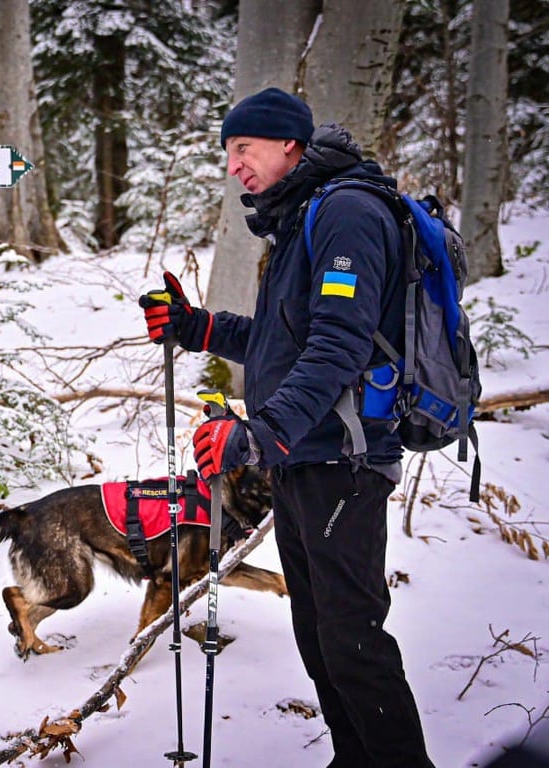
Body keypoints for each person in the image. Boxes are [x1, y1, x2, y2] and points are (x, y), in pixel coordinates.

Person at [141, 88, 434, 767]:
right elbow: (283, 341)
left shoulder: (347, 214)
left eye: (243, 148)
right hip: (304, 457)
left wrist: (259, 433)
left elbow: (338, 346)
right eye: (227, 153)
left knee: (352, 638)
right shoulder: (301, 216)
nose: (233, 166)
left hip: (345, 461)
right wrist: (198, 327)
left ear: (288, 144)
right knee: (317, 632)